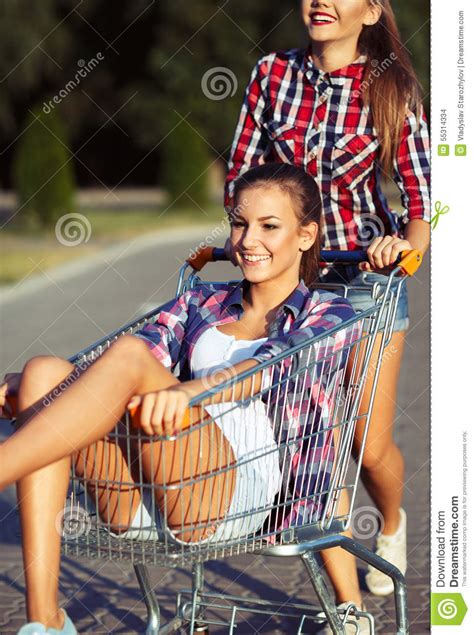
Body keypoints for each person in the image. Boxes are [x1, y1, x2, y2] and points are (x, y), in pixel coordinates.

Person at [0, 164, 359, 635]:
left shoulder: (329, 312)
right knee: (46, 374)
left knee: (124, 359)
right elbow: (107, 374)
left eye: (269, 226)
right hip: (155, 481)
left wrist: (192, 391)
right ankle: (45, 621)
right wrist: (27, 384)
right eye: (239, 223)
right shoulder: (200, 303)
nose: (249, 240)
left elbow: (273, 365)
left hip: (237, 490)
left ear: (306, 235)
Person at [224, 0, 430, 609]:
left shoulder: (390, 86)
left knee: (367, 444)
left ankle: (390, 524)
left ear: (370, 11)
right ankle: (347, 605)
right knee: (315, 436)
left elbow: (422, 198)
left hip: (365, 279)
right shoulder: (271, 75)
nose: (320, 1)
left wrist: (405, 253)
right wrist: (252, 240)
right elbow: (243, 171)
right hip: (293, 281)